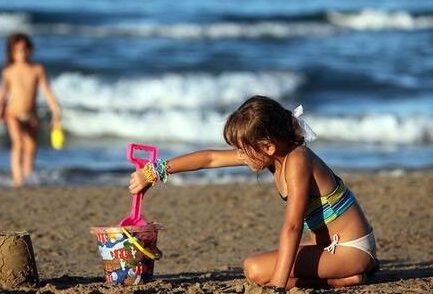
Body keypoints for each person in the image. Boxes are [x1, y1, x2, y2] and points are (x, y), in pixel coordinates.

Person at [128, 95, 378, 291]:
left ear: (268, 146)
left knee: (256, 269)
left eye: (244, 150)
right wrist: (154, 172)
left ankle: (340, 279)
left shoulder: (297, 161)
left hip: (350, 249)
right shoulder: (273, 155)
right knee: (259, 267)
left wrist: (278, 287)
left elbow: (292, 227)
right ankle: (341, 278)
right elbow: (211, 159)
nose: (240, 155)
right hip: (325, 244)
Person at [0, 33, 61, 187]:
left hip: (31, 115)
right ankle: (18, 179)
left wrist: (56, 112)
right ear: (11, 52)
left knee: (31, 147)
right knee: (18, 143)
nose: (22, 53)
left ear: (30, 50)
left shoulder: (37, 69)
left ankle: (28, 175)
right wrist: (0, 108)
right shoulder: (9, 71)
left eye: (24, 49)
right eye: (17, 50)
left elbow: (47, 91)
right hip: (13, 113)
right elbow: (3, 93)